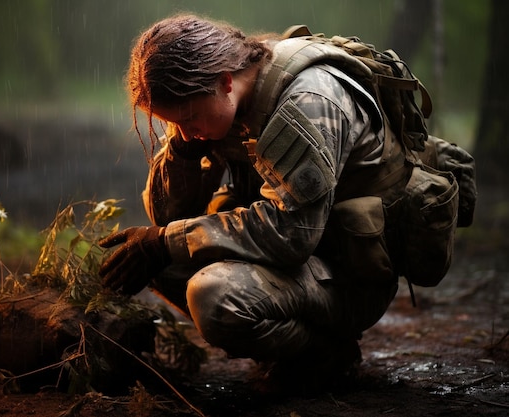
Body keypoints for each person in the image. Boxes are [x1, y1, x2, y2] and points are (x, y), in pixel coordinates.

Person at [97, 14, 451, 391]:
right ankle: (290, 346)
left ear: (225, 81)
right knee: (145, 258)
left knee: (213, 295)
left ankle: (324, 351)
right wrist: (183, 151)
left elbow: (292, 233)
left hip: (348, 275)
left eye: (188, 119)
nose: (185, 131)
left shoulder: (307, 102)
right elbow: (167, 215)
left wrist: (167, 240)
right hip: (295, 262)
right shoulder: (215, 99)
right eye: (173, 123)